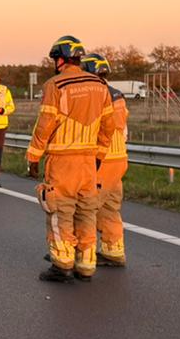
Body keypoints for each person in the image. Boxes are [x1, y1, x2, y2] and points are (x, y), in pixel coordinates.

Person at [26, 36, 119, 283]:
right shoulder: (100, 85)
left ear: (61, 59)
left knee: (60, 210)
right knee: (87, 211)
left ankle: (62, 264)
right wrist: (99, 155)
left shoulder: (55, 85)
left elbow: (45, 125)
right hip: (88, 161)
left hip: (62, 160)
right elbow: (109, 126)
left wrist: (33, 157)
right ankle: (86, 265)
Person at [83, 53, 129, 268]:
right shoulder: (116, 94)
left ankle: (83, 254)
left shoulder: (95, 96)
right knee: (110, 207)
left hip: (102, 157)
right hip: (119, 157)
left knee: (87, 207)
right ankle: (113, 250)